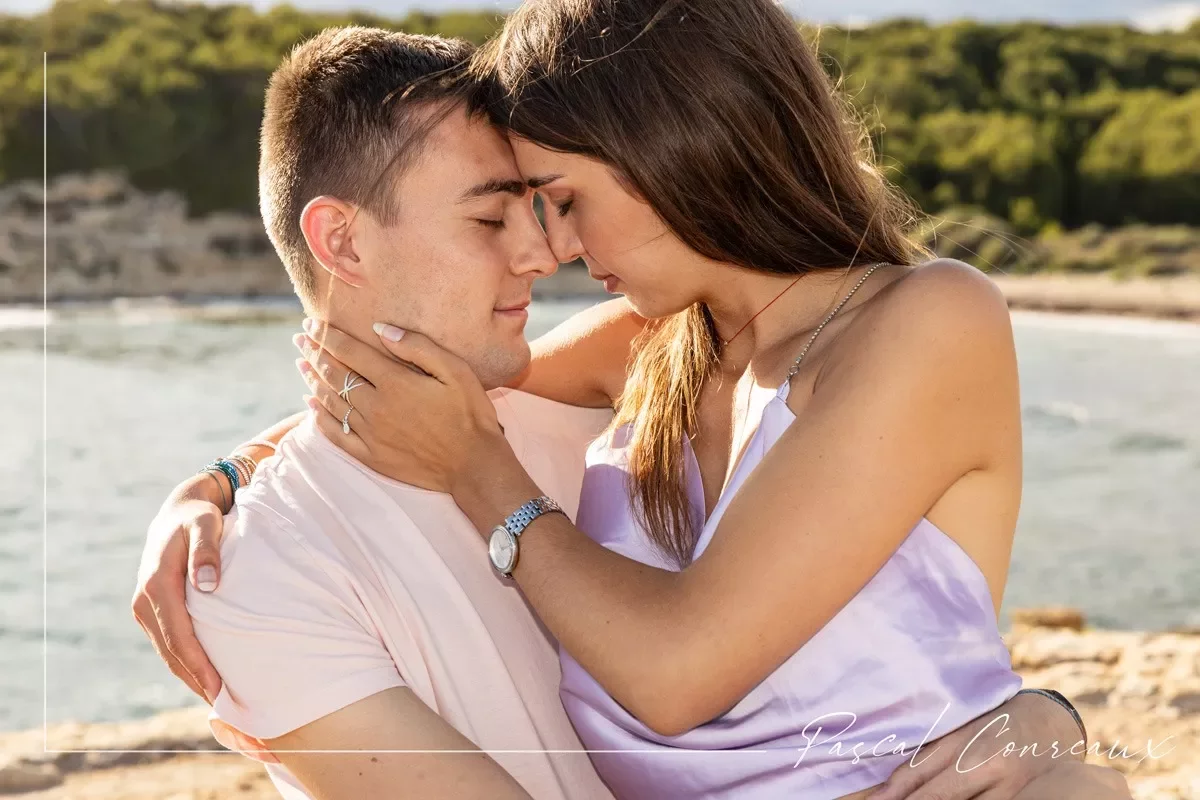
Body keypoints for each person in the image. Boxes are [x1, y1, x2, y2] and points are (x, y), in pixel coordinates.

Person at [130, 10, 1128, 800]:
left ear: (668, 154)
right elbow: (395, 398)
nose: (552, 245)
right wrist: (217, 484)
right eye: (511, 209)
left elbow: (677, 669)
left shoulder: (925, 321)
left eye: (559, 195)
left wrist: (1052, 732)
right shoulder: (654, 349)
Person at [137, 26, 613, 800]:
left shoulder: (607, 405)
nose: (541, 253)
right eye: (491, 220)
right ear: (343, 243)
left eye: (536, 210)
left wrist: (219, 474)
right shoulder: (258, 574)